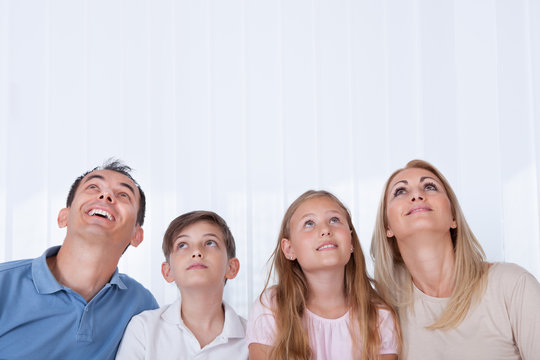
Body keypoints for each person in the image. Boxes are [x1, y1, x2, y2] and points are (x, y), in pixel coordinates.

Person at [370, 159, 540, 360]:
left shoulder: (512, 285)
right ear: (387, 227)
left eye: (429, 187)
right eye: (400, 191)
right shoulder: (382, 309)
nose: (417, 195)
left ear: (453, 217)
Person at [0, 159, 158, 359]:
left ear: (137, 235)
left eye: (123, 195)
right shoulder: (4, 284)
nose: (106, 195)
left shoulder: (140, 304)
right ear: (63, 217)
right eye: (93, 187)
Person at [247, 190, 400, 360]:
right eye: (309, 223)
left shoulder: (379, 315)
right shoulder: (271, 307)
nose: (326, 229)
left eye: (334, 220)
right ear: (289, 249)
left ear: (351, 242)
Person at [116, 210, 248, 359]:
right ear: (168, 271)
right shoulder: (144, 328)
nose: (197, 252)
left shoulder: (252, 338)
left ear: (231, 268)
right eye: (182, 245)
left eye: (210, 243)